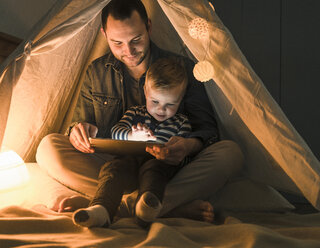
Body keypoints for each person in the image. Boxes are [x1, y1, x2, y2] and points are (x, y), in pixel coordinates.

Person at [36, 0, 243, 222]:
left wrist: (187, 146)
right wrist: (78, 132)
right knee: (48, 148)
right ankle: (159, 207)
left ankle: (110, 204)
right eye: (117, 43)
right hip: (114, 167)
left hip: (168, 170)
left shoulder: (182, 68)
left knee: (231, 153)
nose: (129, 51)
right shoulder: (97, 72)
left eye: (136, 40)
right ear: (104, 34)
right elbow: (79, 124)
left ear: (149, 27)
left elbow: (207, 131)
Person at [73, 57, 194, 228]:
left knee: (153, 169)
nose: (161, 109)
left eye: (170, 104)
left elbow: (186, 157)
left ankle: (147, 206)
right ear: (145, 92)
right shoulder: (135, 113)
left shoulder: (181, 123)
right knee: (112, 168)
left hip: (158, 168)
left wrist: (170, 154)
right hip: (128, 164)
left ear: (181, 99)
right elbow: (115, 132)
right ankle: (102, 209)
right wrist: (131, 136)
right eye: (155, 102)